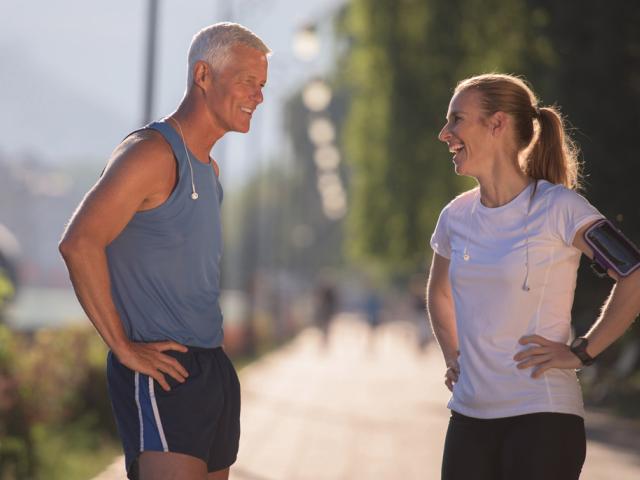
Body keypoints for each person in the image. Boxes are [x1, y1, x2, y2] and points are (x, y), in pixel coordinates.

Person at [59, 23, 270, 480]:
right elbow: (79, 243)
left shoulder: (209, 172)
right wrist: (121, 346)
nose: (258, 96)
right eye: (247, 81)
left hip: (211, 369)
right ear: (203, 75)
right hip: (164, 374)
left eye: (263, 85)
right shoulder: (152, 154)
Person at [426, 73, 640, 480]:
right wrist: (453, 356)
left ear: (497, 124)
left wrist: (582, 351)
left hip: (542, 418)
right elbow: (439, 293)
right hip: (469, 417)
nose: (445, 133)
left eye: (456, 119)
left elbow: (633, 274)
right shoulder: (455, 216)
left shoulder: (559, 207)